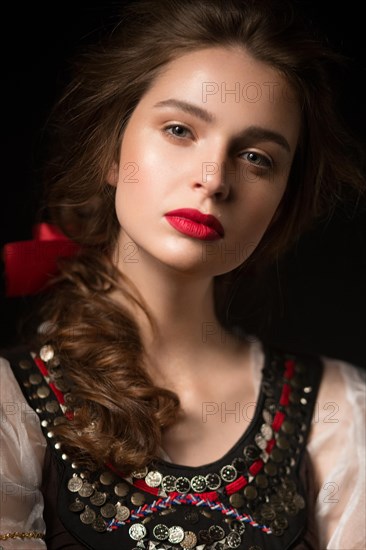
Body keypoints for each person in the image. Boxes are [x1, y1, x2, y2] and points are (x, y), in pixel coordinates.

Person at [0, 0, 365, 548]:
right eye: (179, 129)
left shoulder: (341, 411)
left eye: (257, 158)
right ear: (112, 151)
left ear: (283, 202)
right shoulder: (13, 406)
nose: (214, 179)